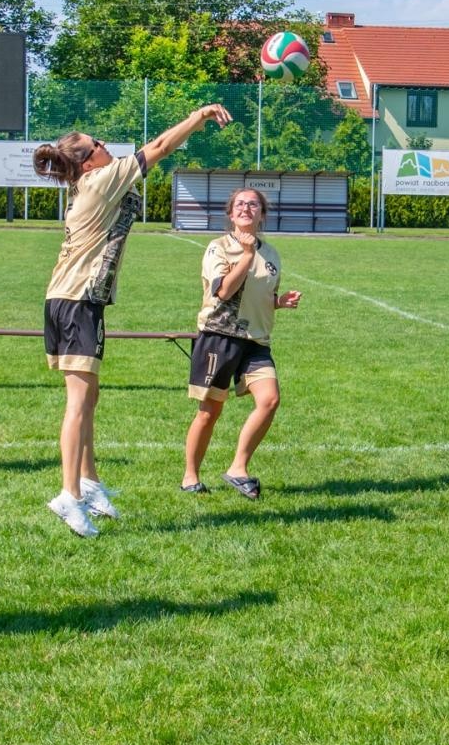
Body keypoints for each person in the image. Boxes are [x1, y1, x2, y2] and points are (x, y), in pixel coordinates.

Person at [33, 104, 233, 538]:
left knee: (90, 398)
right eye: (97, 145)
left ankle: (88, 482)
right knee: (77, 403)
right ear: (88, 160)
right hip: (77, 300)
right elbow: (159, 146)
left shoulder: (90, 179)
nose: (105, 146)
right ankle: (68, 496)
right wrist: (198, 116)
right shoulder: (103, 178)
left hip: (74, 300)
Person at [181, 188, 300, 499]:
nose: (247, 208)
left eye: (254, 204)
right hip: (219, 336)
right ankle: (190, 476)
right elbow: (223, 292)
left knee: (270, 400)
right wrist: (246, 255)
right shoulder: (218, 248)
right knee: (210, 411)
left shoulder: (272, 253)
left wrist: (278, 302)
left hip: (256, 340)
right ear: (231, 214)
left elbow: (257, 295)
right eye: (240, 204)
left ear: (262, 213)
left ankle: (238, 468)